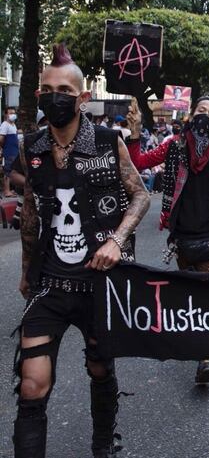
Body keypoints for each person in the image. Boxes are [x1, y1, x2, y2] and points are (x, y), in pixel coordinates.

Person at [13, 43, 150, 457]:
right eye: (47, 89)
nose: (55, 97)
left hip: (98, 284)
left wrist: (116, 240)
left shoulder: (109, 142)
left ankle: (103, 442)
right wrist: (25, 271)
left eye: (64, 90)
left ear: (83, 98)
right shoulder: (31, 146)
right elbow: (32, 213)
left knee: (99, 367)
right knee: (32, 381)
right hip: (50, 283)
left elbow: (140, 196)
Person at [159, 95, 209, 384]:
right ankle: (194, 338)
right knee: (190, 292)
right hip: (181, 234)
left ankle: (205, 357)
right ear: (191, 115)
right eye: (201, 111)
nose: (206, 116)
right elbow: (149, 168)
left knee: (207, 294)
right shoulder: (175, 149)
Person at [1, 106, 20, 197]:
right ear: (6, 115)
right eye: (10, 113)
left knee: (13, 171)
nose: (13, 115)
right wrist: (4, 147)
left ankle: (11, 190)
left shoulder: (13, 124)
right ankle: (6, 191)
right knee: (7, 172)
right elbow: (1, 138)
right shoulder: (5, 124)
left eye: (14, 113)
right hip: (9, 152)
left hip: (15, 152)